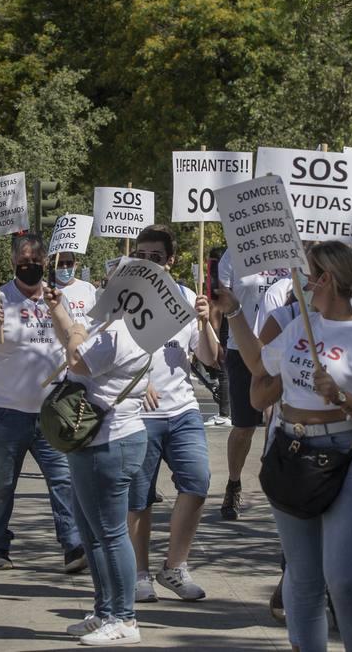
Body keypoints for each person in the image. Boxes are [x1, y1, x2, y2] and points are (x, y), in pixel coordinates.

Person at [213, 241, 352, 652]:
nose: (301, 282)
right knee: (304, 579)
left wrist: (344, 398)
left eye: (307, 274)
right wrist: (235, 310)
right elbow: (259, 365)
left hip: (346, 455)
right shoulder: (299, 326)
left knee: (345, 578)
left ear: (326, 278)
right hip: (291, 455)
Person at [0, 234, 85, 573]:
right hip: (4, 412)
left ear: (46, 263)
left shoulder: (57, 298)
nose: (30, 268)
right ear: (13, 262)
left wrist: (58, 310)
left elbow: (74, 342)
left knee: (64, 481)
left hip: (52, 411)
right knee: (1, 485)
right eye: (23, 263)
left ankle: (73, 545)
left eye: (36, 262)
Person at [47, 272, 158, 646]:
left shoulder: (119, 333)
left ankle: (125, 619)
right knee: (93, 534)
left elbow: (77, 361)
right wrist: (61, 314)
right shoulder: (111, 326)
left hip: (108, 442)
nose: (102, 288)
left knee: (110, 536)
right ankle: (105, 610)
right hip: (97, 442)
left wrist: (76, 332)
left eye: (110, 284)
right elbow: (73, 338)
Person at [125, 226, 219, 605]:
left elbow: (211, 359)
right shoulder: (121, 297)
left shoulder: (185, 297)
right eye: (142, 257)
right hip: (138, 414)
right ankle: (139, 574)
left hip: (182, 411)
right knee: (138, 499)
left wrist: (205, 321)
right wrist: (137, 381)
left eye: (156, 258)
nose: (149, 264)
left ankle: (174, 567)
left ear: (171, 261)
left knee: (197, 482)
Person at [215, 249, 293, 520]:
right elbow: (221, 303)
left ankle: (276, 480)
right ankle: (233, 483)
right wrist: (215, 338)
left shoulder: (291, 252)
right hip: (244, 348)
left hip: (286, 346)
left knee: (278, 420)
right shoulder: (232, 256)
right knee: (244, 427)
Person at [52, 251, 98, 328]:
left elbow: (98, 318)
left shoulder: (88, 288)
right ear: (54, 265)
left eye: (69, 263)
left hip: (88, 338)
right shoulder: (48, 291)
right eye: (60, 263)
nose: (65, 267)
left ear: (75, 265)